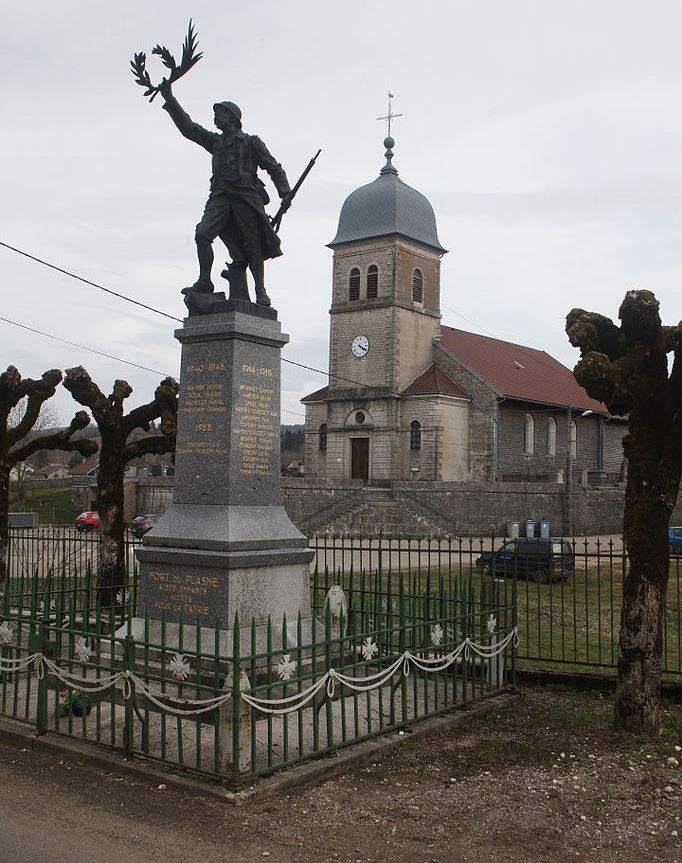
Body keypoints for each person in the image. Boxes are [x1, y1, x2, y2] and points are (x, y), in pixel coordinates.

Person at [159, 80, 292, 306]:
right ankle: (205, 281)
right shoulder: (216, 142)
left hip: (245, 198)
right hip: (220, 197)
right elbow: (189, 129)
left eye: (219, 113)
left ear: (231, 117)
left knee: (252, 247)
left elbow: (273, 167)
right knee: (202, 233)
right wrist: (169, 99)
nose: (215, 117)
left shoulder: (250, 142)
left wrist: (284, 191)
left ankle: (260, 290)